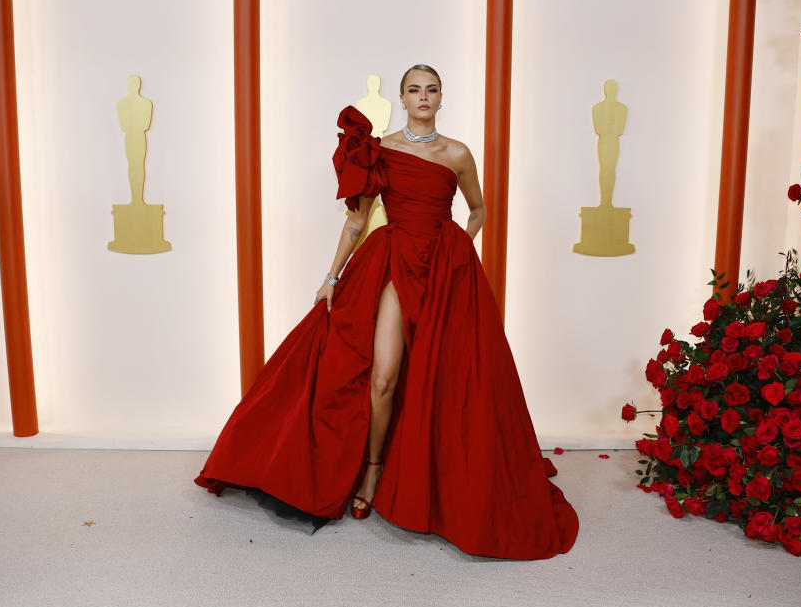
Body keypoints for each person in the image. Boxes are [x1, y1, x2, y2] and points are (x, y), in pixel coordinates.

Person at [195, 65, 578, 560]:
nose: (423, 96)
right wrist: (331, 276)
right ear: (402, 98)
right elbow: (357, 220)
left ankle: (425, 475)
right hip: (395, 261)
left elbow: (478, 209)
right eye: (414, 90)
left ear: (442, 97)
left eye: (431, 89)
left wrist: (460, 248)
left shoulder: (458, 153)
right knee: (383, 376)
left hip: (444, 266)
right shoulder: (384, 150)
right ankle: (373, 469)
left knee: (447, 375)